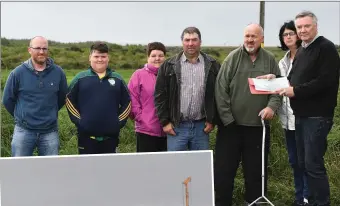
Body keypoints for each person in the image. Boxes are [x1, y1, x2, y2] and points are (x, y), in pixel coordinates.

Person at [276, 11, 340, 206]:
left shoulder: (325, 48)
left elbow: (325, 81)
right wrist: (273, 80)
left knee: (313, 165)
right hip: (301, 116)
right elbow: (292, 78)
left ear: (316, 26)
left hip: (317, 116)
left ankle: (322, 203)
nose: (302, 30)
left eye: (306, 26)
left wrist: (296, 91)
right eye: (300, 27)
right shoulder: (303, 49)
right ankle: (309, 201)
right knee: (304, 163)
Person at [214, 23, 282, 206]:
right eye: (247, 36)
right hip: (231, 127)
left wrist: (272, 108)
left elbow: (278, 89)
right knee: (224, 170)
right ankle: (222, 202)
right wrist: (228, 119)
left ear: (262, 39)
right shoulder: (232, 58)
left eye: (254, 36)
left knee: (256, 171)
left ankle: (255, 202)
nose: (250, 40)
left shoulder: (269, 60)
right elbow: (221, 91)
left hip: (258, 127)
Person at [154, 26, 220, 151]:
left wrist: (212, 120)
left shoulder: (213, 65)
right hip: (176, 126)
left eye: (194, 40)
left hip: (202, 127)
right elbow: (159, 96)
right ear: (182, 42)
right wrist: (165, 122)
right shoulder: (169, 65)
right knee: (175, 166)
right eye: (187, 40)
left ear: (200, 42)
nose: (190, 44)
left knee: (199, 166)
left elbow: (219, 95)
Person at [2, 36, 68, 156]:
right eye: (37, 48)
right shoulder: (17, 73)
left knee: (50, 169)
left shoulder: (58, 72)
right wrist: (23, 116)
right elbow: (7, 100)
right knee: (20, 169)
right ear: (29, 50)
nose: (41, 51)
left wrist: (49, 112)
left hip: (50, 132)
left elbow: (62, 97)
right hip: (23, 131)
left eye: (44, 48)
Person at [66, 42, 131, 154]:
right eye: (96, 56)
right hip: (86, 137)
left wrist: (117, 122)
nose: (100, 59)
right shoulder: (80, 78)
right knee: (86, 169)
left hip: (111, 137)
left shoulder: (118, 79)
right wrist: (80, 122)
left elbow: (127, 103)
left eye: (103, 56)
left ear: (108, 58)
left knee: (109, 169)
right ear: (90, 58)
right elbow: (69, 100)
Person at [277, 20, 309, 206]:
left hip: (305, 118)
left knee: (307, 161)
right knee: (294, 161)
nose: (288, 37)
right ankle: (299, 197)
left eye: (291, 33)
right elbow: (282, 85)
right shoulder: (282, 61)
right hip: (287, 120)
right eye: (285, 34)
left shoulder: (307, 56)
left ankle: (308, 198)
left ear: (298, 35)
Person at [128, 42, 167, 152]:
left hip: (168, 130)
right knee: (146, 166)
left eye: (160, 55)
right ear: (148, 57)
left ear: (165, 57)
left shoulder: (169, 74)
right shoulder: (138, 75)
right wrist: (141, 118)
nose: (157, 59)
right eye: (153, 56)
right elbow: (132, 99)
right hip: (145, 130)